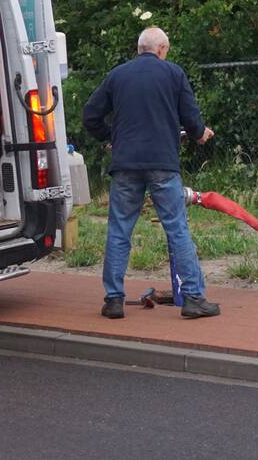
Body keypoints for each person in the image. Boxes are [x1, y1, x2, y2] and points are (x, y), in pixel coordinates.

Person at [83, 27, 219, 319]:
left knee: (119, 230)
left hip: (125, 165)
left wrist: (111, 137)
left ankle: (114, 300)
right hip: (163, 165)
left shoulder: (117, 75)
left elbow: (90, 115)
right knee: (176, 229)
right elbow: (191, 117)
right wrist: (199, 134)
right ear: (161, 50)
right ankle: (194, 299)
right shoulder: (173, 74)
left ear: (139, 49)